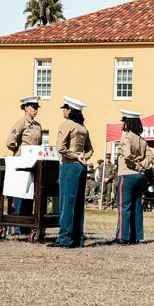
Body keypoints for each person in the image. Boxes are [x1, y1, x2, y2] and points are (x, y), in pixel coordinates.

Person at [54, 96, 93, 248]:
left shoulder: (67, 125)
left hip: (69, 166)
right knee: (78, 204)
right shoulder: (83, 128)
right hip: (81, 167)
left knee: (66, 203)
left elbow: (60, 148)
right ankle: (78, 238)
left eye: (64, 108)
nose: (63, 111)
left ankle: (64, 238)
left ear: (70, 110)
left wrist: (77, 156)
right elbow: (90, 149)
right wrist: (84, 157)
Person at [113, 110, 154, 244]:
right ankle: (135, 236)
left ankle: (122, 237)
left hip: (127, 174)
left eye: (123, 121)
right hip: (139, 177)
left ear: (128, 122)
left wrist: (134, 165)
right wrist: (142, 165)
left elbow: (126, 154)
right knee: (136, 206)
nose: (122, 123)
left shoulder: (126, 137)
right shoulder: (141, 140)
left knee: (123, 207)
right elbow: (150, 156)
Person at [6, 96, 42, 234]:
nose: (35, 110)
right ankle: (15, 228)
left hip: (33, 164)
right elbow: (10, 141)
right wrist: (19, 151)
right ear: (26, 107)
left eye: (37, 107)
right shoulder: (21, 123)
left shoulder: (38, 125)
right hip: (22, 163)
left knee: (30, 195)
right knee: (20, 194)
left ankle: (25, 226)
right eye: (33, 107)